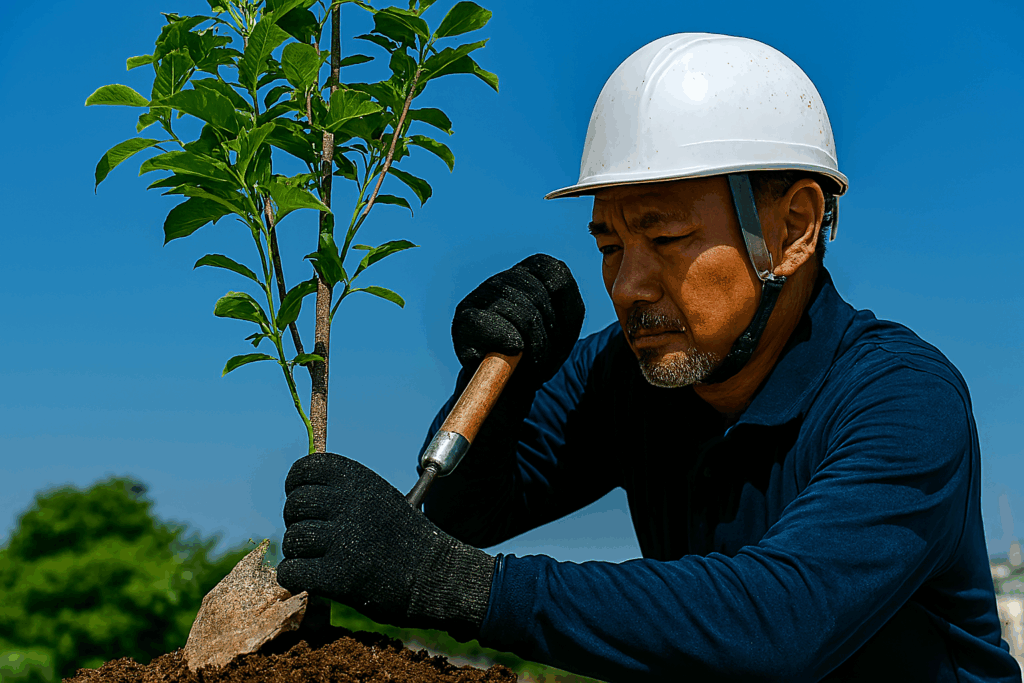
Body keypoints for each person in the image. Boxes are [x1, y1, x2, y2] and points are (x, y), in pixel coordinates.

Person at [277, 34, 1021, 681]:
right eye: (609, 244)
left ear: (794, 229)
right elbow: (463, 519)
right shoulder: (625, 376)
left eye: (664, 239)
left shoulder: (902, 401)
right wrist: (498, 388)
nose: (627, 285)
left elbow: (781, 625)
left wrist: (465, 590)